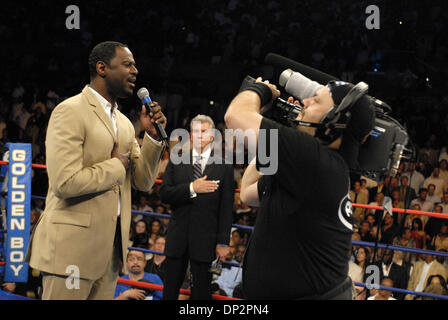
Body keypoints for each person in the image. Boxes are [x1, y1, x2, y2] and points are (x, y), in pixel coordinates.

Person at [26, 41, 167, 300]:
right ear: (102, 68)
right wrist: (116, 165)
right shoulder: (70, 111)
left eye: (135, 64)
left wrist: (152, 137)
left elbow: (144, 182)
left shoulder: (125, 124)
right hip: (70, 251)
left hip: (109, 256)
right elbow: (65, 183)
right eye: (127, 64)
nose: (135, 70)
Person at [225, 76, 376, 299]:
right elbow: (248, 192)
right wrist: (280, 134)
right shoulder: (319, 166)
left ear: (333, 121)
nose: (304, 102)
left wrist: (259, 90)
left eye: (315, 101)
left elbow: (234, 116)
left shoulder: (314, 160)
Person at [160, 115, 234, 300]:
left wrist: (223, 241)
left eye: (203, 132)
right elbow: (165, 194)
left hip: (206, 240)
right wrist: (193, 188)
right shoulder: (176, 161)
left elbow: (226, 208)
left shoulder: (223, 166)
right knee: (170, 292)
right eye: (195, 132)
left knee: (201, 294)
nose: (199, 136)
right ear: (190, 136)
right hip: (178, 238)